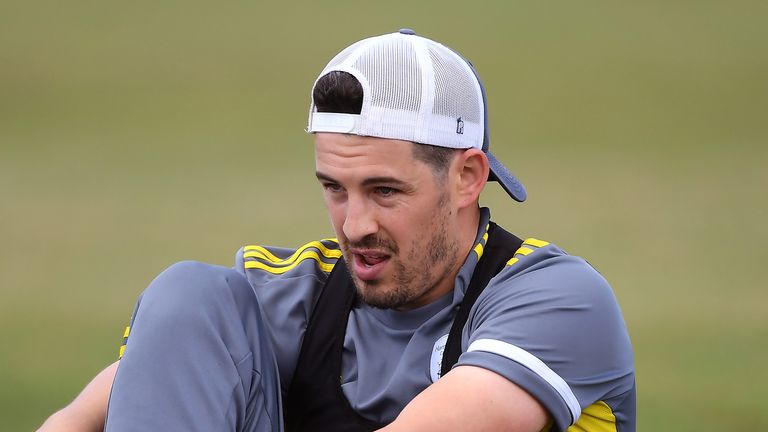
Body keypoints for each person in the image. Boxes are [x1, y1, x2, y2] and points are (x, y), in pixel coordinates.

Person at [39, 29, 635, 431]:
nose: (353, 226)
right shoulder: (290, 293)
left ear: (466, 178)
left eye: (385, 191)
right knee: (190, 295)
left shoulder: (559, 302)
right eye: (333, 188)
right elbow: (76, 420)